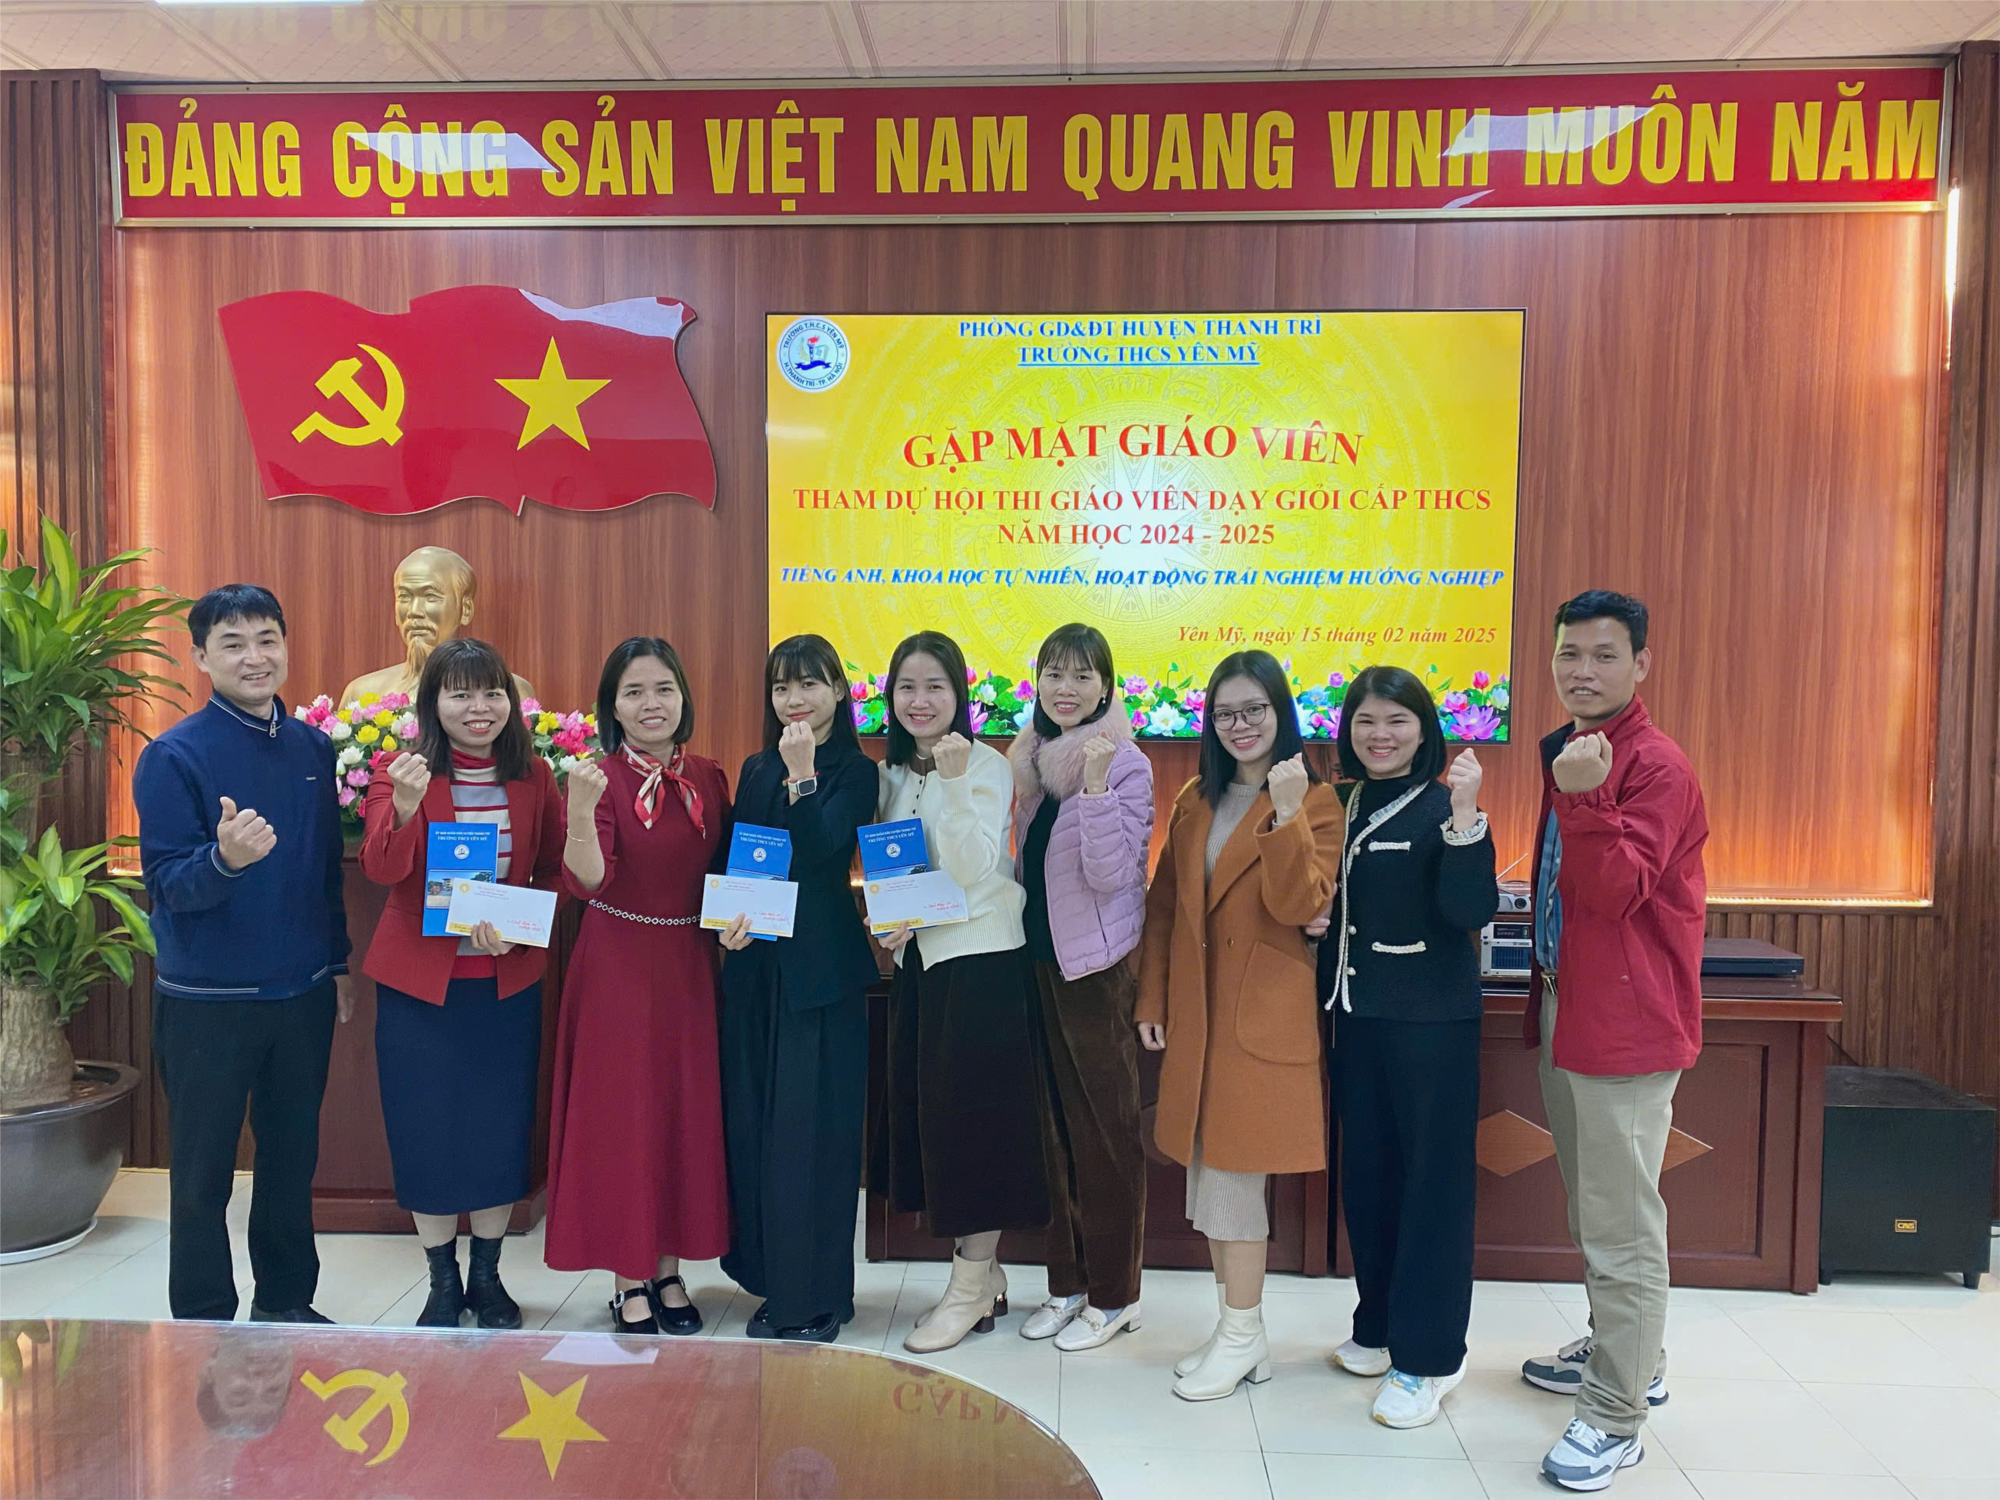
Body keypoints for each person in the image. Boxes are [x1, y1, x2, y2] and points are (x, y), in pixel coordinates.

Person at [1518, 592, 1708, 1493]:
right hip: (1571, 1004)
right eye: (1569, 654)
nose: (1582, 670)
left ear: (1640, 664)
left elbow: (1616, 890)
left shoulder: (1652, 763)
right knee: (1596, 1208)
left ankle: (1615, 1415)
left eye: (1603, 655)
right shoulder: (1577, 749)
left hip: (1626, 1023)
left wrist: (1586, 797)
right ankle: (1629, 1354)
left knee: (1623, 1226)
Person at [136, 584, 352, 1325]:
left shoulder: (313, 748)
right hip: (208, 1003)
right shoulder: (173, 756)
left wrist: (338, 963)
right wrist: (224, 859)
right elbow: (166, 885)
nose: (254, 657)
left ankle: (286, 1305)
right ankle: (201, 1319)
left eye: (267, 639)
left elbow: (324, 872)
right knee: (203, 1175)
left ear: (285, 646)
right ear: (201, 657)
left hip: (302, 994)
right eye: (232, 643)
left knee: (291, 1162)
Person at [1136, 650, 1341, 1401]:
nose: (1240, 725)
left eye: (1255, 709)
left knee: (1233, 1181)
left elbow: (1300, 905)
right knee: (1207, 1174)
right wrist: (1152, 999)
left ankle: (1243, 1330)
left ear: (1281, 713)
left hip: (1259, 1019)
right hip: (1198, 1015)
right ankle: (1237, 1331)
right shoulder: (1196, 797)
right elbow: (1164, 906)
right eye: (1225, 713)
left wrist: (1286, 813)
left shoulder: (1317, 800)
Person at [359, 638, 564, 1331]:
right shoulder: (400, 771)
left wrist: (520, 924)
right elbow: (382, 869)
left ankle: (488, 1277)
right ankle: (442, 1281)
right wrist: (406, 805)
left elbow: (554, 869)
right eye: (461, 693)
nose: (479, 707)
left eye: (491, 692)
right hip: (421, 989)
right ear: (433, 703)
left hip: (505, 983)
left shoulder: (534, 776)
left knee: (498, 1132)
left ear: (510, 701)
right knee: (428, 1132)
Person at [1315, 666, 1496, 1429]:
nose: (1379, 734)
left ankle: (1430, 1358)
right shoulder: (1341, 800)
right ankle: (1381, 1323)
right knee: (1370, 1176)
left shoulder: (1444, 806)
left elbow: (1469, 909)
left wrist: (1466, 816)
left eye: (1396, 720)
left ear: (1425, 730)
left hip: (1431, 1024)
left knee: (1432, 1188)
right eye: (1365, 720)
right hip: (1356, 1016)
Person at [545, 637, 733, 1334]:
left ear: (683, 697)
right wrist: (580, 811)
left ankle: (669, 1270)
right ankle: (629, 1277)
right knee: (624, 1119)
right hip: (618, 965)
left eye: (663, 689)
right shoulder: (595, 778)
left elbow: (730, 870)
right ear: (612, 707)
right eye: (633, 692)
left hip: (689, 962)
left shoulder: (710, 776)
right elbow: (589, 880)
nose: (651, 704)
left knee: (681, 1113)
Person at [870, 631, 1050, 1354]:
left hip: (982, 963)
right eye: (907, 687)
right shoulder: (890, 773)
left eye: (935, 686)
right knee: (937, 1127)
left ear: (959, 694)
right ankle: (987, 1273)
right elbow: (897, 870)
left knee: (975, 1131)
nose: (920, 701)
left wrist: (950, 782)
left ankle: (970, 1287)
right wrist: (894, 921)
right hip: (923, 964)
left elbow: (975, 867)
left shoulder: (984, 765)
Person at [717, 634, 879, 1342]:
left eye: (810, 684)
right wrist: (724, 924)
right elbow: (740, 859)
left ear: (838, 691)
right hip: (756, 974)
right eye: (783, 686)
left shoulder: (857, 772)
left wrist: (805, 776)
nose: (795, 699)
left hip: (821, 980)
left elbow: (821, 851)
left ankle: (819, 1297)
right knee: (760, 1131)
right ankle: (773, 1282)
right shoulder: (756, 768)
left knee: (815, 1139)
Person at [1008, 622, 1155, 1351]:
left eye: (1081, 675)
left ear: (1106, 687)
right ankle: (1066, 1285)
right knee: (1053, 1133)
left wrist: (1095, 789)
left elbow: (1110, 872)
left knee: (1106, 1136)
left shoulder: (1123, 763)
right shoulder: (1034, 760)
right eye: (1053, 673)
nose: (1064, 688)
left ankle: (1115, 1294)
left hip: (1095, 972)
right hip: (1038, 964)